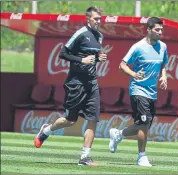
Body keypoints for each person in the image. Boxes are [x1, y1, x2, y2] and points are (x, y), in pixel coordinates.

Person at [34, 6, 107, 167]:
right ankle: (46, 130)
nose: (98, 21)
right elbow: (63, 53)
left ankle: (84, 157)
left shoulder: (100, 36)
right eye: (96, 19)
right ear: (88, 19)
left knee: (93, 119)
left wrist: (98, 57)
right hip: (75, 83)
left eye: (100, 18)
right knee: (70, 120)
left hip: (92, 83)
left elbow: (92, 56)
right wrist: (82, 60)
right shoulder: (81, 33)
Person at [109, 17, 168, 167]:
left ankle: (118, 134)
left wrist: (164, 76)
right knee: (143, 125)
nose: (160, 32)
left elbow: (163, 64)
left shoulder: (163, 47)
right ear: (148, 30)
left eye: (161, 29)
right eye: (157, 29)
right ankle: (142, 157)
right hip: (138, 90)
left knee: (144, 125)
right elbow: (122, 65)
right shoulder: (138, 47)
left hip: (152, 92)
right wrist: (134, 74)